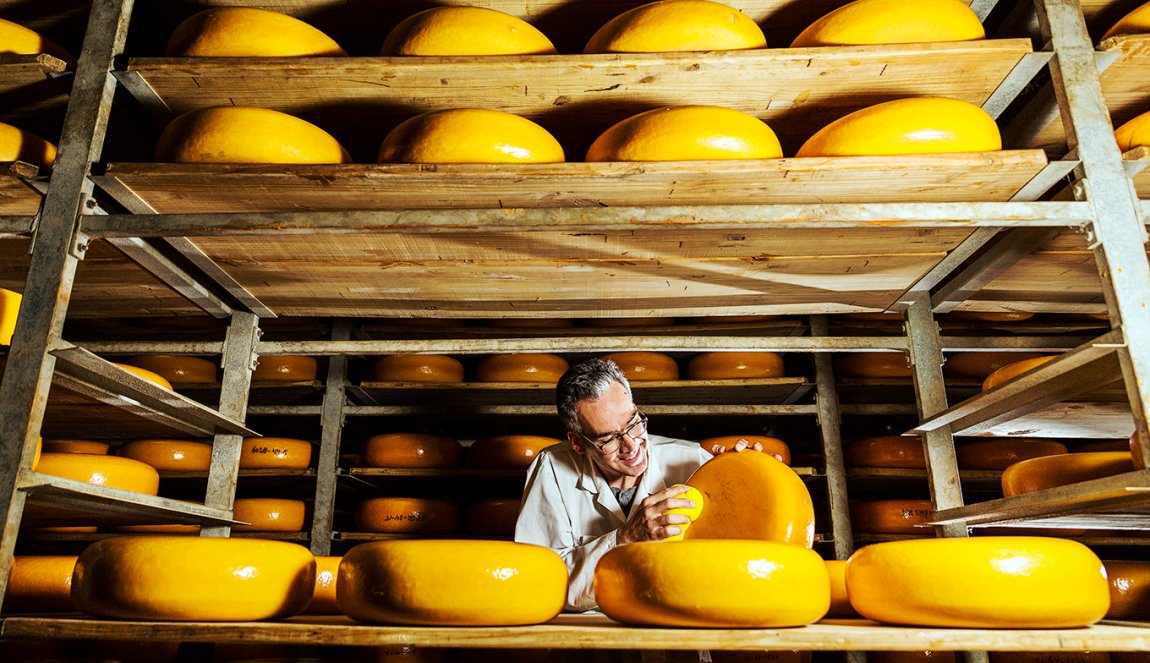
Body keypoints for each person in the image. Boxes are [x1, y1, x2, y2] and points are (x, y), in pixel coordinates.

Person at [515, 357, 755, 612]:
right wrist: (625, 539)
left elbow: (746, 550)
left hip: (678, 638)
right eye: (608, 439)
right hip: (595, 643)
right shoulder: (552, 470)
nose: (631, 446)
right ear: (577, 442)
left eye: (633, 423)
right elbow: (538, 582)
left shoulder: (693, 460)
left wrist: (752, 475)